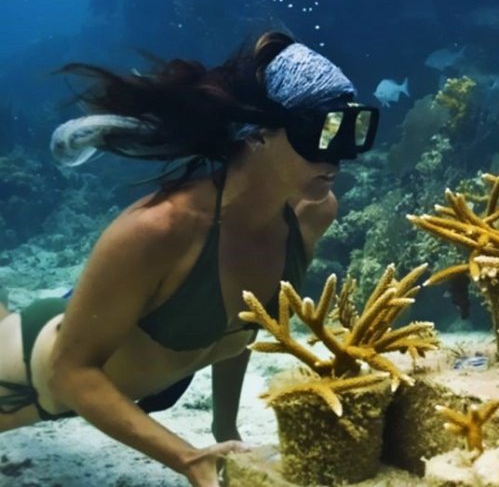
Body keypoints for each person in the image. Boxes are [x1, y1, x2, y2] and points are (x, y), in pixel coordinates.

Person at [0, 32, 378, 486]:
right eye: (322, 132)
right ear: (258, 135)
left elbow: (242, 327)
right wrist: (186, 458)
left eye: (351, 130)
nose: (342, 154)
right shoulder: (159, 229)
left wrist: (225, 431)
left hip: (115, 335)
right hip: (26, 380)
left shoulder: (311, 215)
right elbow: (69, 372)